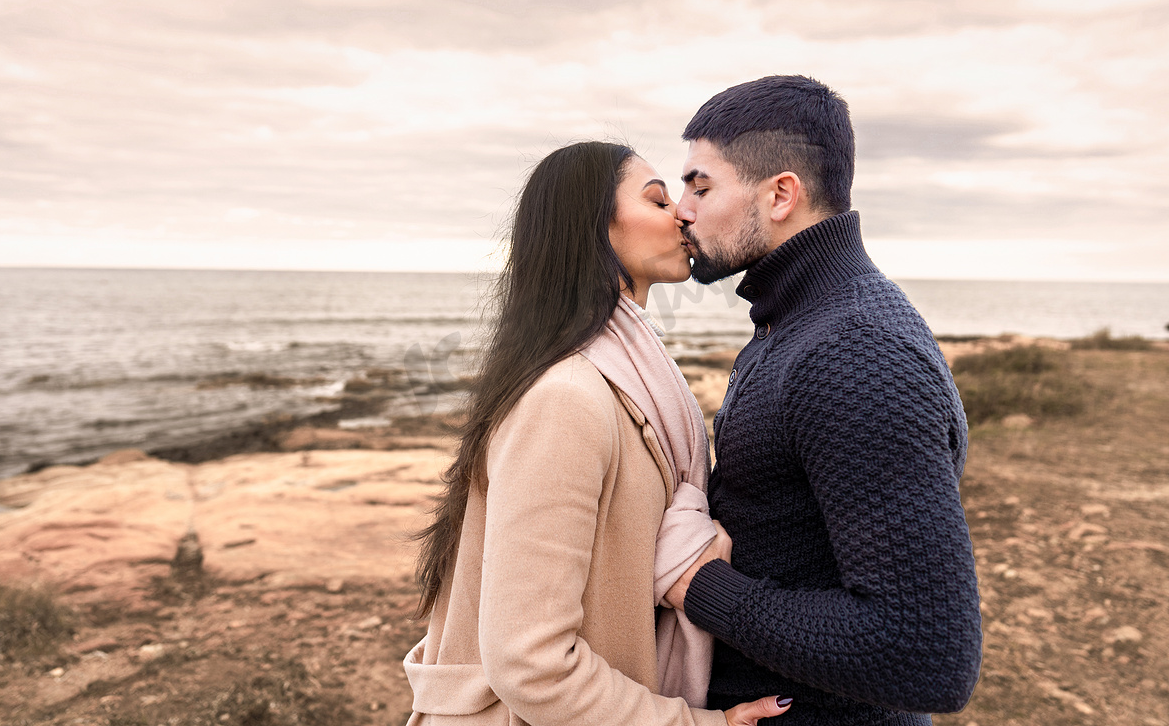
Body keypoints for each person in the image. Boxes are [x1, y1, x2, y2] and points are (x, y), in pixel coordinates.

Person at [403, 141, 793, 726]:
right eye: (659, 199)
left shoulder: (627, 377)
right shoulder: (567, 396)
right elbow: (531, 662)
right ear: (593, 226)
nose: (684, 213)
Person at [664, 76, 983, 725]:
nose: (681, 210)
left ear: (780, 194)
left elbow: (928, 652)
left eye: (700, 186)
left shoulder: (855, 351)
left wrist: (699, 587)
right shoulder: (799, 321)